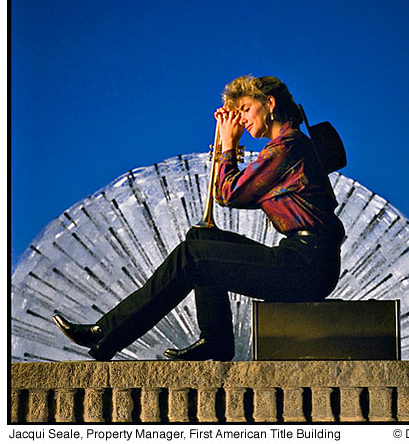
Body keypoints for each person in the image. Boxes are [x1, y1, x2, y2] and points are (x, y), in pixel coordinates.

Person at [53, 75, 346, 361]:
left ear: (269, 103)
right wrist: (225, 140)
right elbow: (232, 194)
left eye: (245, 109)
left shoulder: (286, 148)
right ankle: (215, 342)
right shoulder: (289, 147)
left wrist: (228, 144)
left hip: (308, 264)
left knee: (192, 256)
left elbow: (228, 194)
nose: (241, 118)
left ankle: (104, 333)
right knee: (200, 237)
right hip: (304, 258)